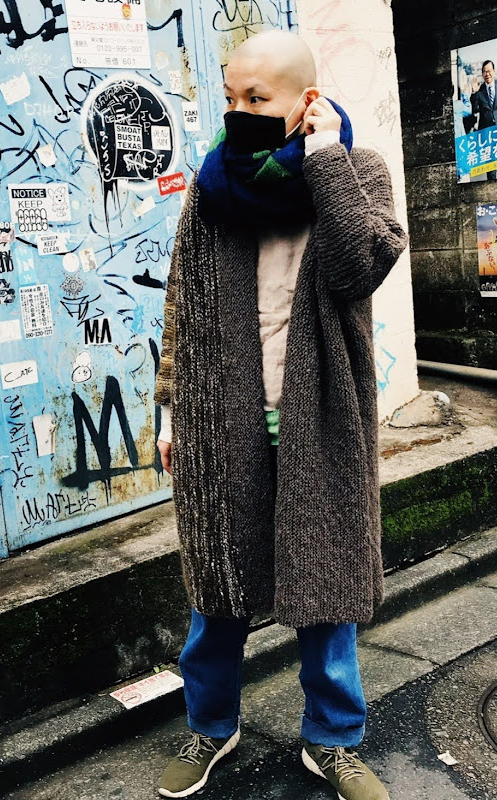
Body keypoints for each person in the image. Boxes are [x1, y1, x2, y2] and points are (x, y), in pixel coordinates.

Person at [153, 30, 407, 800]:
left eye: (257, 98)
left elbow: (359, 266)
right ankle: (211, 726)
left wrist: (325, 158)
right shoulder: (213, 186)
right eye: (232, 96)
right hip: (221, 417)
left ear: (305, 100)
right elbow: (181, 303)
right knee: (219, 589)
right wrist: (169, 411)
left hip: (318, 418)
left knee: (325, 590)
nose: (240, 110)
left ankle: (332, 740)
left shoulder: (357, 170)